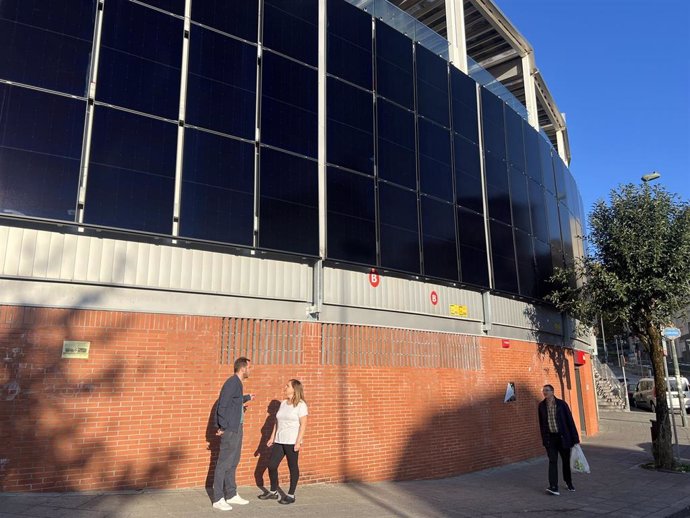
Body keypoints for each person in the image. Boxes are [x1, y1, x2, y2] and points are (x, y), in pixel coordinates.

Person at [212, 357, 255, 511]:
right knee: (223, 463)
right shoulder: (232, 382)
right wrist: (222, 426)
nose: (250, 370)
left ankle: (231, 494)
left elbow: (233, 402)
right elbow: (222, 404)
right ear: (243, 368)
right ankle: (218, 498)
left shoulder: (237, 384)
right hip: (229, 429)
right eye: (249, 367)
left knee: (233, 462)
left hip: (237, 428)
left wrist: (247, 398)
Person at [258, 379, 308, 505]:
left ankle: (291, 495)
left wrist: (298, 442)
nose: (285, 387)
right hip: (279, 440)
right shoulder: (283, 403)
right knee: (272, 465)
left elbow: (303, 425)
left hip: (292, 441)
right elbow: (277, 422)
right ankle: (273, 492)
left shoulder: (301, 405)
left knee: (293, 467)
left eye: (287, 386)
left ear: (294, 389)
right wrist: (272, 437)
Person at [537, 384, 580, 496]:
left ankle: (568, 482)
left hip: (563, 437)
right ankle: (553, 486)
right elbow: (542, 424)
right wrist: (544, 439)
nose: (544, 392)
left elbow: (570, 421)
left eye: (547, 390)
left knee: (565, 461)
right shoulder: (541, 406)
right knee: (552, 461)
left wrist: (575, 438)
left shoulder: (561, 405)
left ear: (552, 391)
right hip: (550, 438)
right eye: (543, 390)